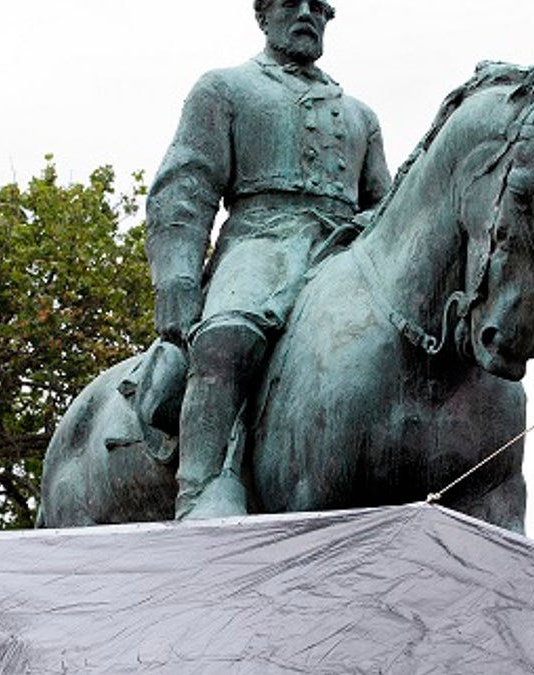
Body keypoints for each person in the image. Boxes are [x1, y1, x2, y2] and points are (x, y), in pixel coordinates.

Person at [145, 0, 391, 519]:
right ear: (262, 15)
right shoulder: (225, 88)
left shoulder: (361, 116)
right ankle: (204, 489)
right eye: (289, 2)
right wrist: (178, 280)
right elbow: (184, 188)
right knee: (228, 336)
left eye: (318, 5)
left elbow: (382, 208)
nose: (306, 13)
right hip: (261, 242)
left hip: (345, 251)